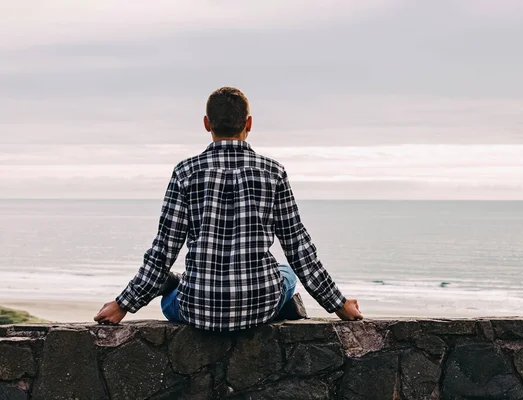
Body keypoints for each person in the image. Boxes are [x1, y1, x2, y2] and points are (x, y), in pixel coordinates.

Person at [94, 87, 363, 331]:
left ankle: (175, 282)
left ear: (206, 124)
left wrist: (123, 305)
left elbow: (163, 249)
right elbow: (298, 248)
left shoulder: (185, 173)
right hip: (258, 309)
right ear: (249, 124)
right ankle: (281, 305)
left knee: (169, 300)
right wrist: (338, 304)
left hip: (197, 310)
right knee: (287, 272)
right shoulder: (273, 173)